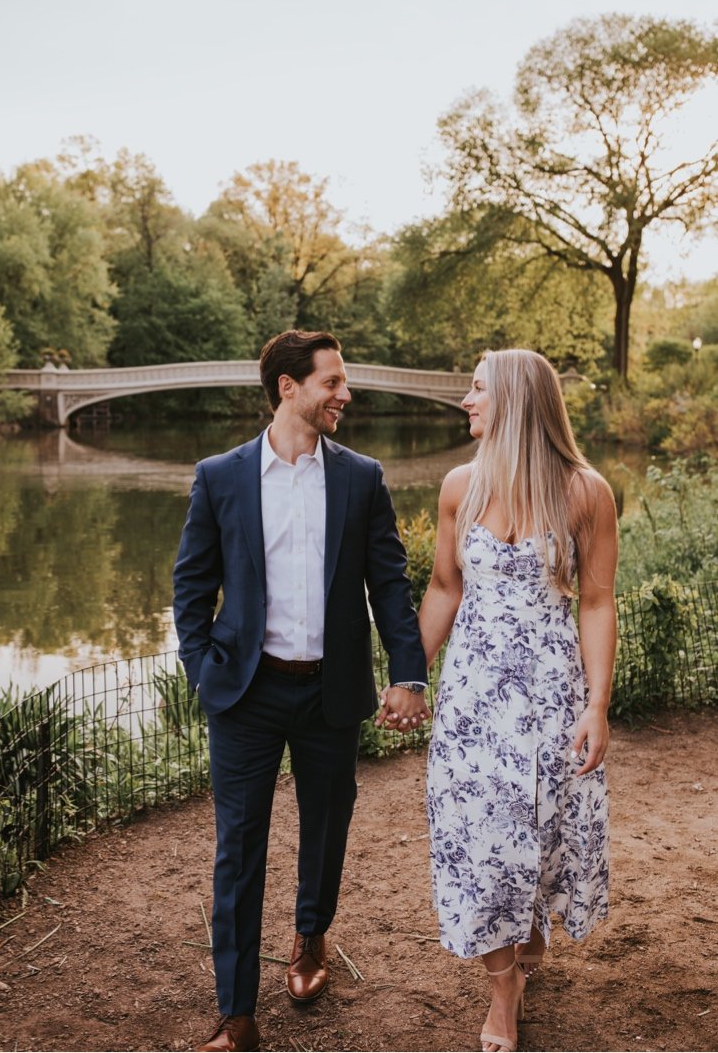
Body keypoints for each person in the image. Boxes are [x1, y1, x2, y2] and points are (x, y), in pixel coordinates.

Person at [172, 330, 430, 1053]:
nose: (346, 393)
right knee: (238, 847)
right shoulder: (220, 476)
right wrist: (202, 668)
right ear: (289, 387)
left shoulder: (361, 477)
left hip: (330, 692)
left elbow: (390, 584)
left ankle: (310, 937)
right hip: (245, 694)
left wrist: (409, 671)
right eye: (333, 382)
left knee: (326, 826)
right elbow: (191, 587)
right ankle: (236, 1013)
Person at [412, 349, 615, 1053]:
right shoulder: (459, 486)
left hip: (550, 700)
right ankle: (503, 991)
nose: (465, 400)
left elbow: (596, 601)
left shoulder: (585, 492)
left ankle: (528, 932)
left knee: (536, 831)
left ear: (516, 401)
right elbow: (444, 587)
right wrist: (409, 674)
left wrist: (597, 704)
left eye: (476, 389)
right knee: (476, 832)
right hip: (471, 701)